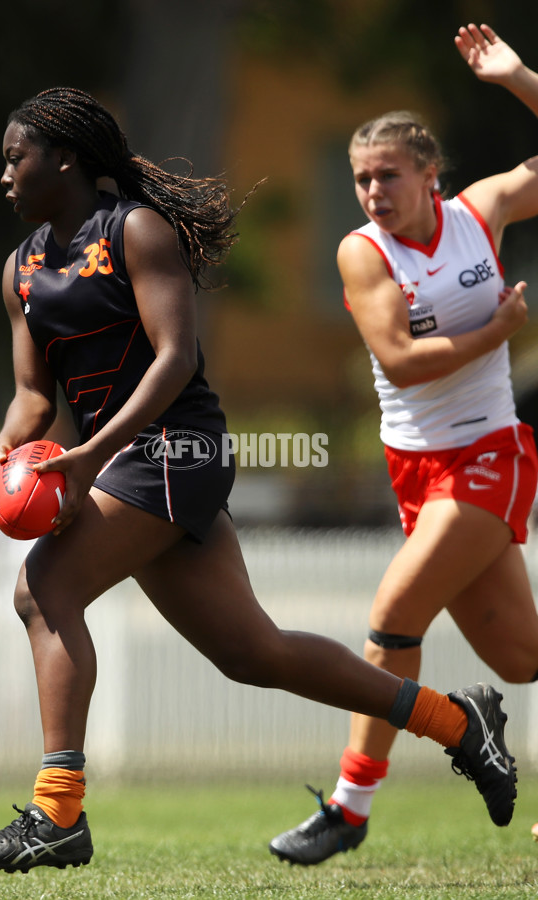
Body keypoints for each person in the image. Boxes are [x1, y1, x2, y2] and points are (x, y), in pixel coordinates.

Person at [0, 86, 516, 875]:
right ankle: (458, 723)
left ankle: (57, 814)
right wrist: (5, 456)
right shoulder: (21, 268)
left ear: (64, 158)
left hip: (180, 448)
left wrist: (85, 461)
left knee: (42, 589)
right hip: (123, 467)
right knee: (254, 653)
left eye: (17, 158)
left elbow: (175, 358)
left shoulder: (135, 231)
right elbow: (33, 398)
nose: (5, 174)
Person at [269, 23, 538, 867]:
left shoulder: (479, 213)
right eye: (360, 179)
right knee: (521, 659)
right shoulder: (363, 251)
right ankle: (482, 722)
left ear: (430, 174)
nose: (373, 191)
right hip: (414, 468)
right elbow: (402, 365)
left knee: (391, 616)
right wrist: (496, 331)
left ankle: (351, 809)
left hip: (490, 453)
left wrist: (520, 75)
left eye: (388, 174)